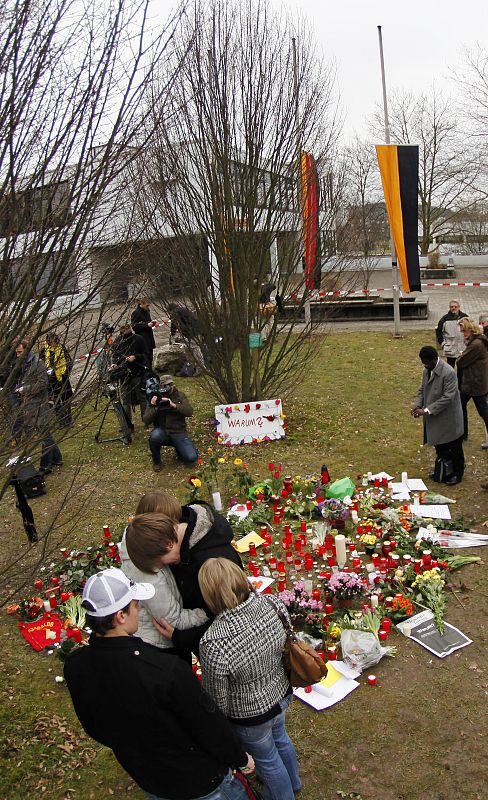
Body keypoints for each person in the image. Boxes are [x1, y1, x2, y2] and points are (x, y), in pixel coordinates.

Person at [63, 567, 253, 800]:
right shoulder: (164, 670)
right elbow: (207, 724)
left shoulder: (76, 665)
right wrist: (239, 758)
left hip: (148, 776)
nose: (139, 608)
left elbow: (93, 725)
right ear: (119, 617)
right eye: (134, 605)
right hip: (198, 778)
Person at [196, 558, 301, 800]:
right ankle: (293, 782)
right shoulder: (272, 603)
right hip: (281, 692)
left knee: (268, 759)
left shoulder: (214, 641)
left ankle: (284, 796)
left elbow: (217, 698)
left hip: (250, 715)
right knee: (281, 738)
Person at [130, 491, 243, 613]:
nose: (165, 567)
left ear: (168, 544)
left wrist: (184, 633)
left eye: (162, 563)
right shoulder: (180, 541)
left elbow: (228, 614)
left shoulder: (210, 562)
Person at [119, 512, 209, 654]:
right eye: (160, 564)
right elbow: (173, 621)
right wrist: (208, 612)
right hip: (159, 644)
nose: (164, 566)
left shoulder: (140, 549)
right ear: (167, 544)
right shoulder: (150, 578)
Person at [412, 345, 464, 486]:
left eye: (427, 362)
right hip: (436, 416)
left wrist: (427, 410)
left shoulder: (449, 373)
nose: (425, 365)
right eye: (423, 362)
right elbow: (422, 389)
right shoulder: (426, 371)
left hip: (449, 416)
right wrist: (417, 405)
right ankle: (443, 469)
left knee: (454, 446)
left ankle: (457, 474)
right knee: (440, 445)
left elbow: (448, 397)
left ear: (435, 359)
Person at [10, 339, 63, 475]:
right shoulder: (22, 364)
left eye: (19, 352)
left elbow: (43, 383)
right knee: (45, 433)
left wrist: (25, 389)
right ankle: (57, 458)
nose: (17, 355)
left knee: (43, 435)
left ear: (26, 350)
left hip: (39, 404)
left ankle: (46, 467)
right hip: (30, 405)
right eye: (16, 352)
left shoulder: (37, 364)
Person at [143, 374, 197, 470]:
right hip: (163, 432)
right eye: (166, 385)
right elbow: (146, 420)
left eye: (171, 384)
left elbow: (189, 411)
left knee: (191, 458)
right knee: (154, 437)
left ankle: (179, 449)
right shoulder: (154, 397)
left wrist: (174, 405)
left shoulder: (180, 395)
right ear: (160, 386)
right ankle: (157, 462)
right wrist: (154, 407)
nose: (170, 386)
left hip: (178, 432)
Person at [111, 322, 149, 430]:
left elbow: (145, 353)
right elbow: (116, 356)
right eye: (123, 331)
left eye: (126, 329)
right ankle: (127, 424)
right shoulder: (119, 341)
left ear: (130, 329)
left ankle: (146, 420)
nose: (125, 332)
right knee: (125, 400)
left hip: (138, 372)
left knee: (142, 397)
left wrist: (135, 357)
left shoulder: (138, 339)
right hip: (124, 374)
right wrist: (115, 364)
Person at [457, 318, 488, 449]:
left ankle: (463, 433)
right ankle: (462, 433)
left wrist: (461, 355)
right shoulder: (477, 342)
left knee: (484, 412)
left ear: (470, 329)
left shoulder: (476, 345)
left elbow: (461, 361)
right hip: (472, 382)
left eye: (464, 330)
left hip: (475, 384)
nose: (462, 332)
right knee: (460, 405)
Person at [39, 332, 73, 427]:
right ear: (49, 342)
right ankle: (61, 421)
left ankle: (69, 420)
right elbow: (41, 366)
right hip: (51, 380)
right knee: (56, 401)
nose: (55, 344)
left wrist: (65, 372)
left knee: (66, 399)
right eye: (53, 342)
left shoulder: (62, 348)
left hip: (63, 378)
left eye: (56, 341)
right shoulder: (44, 351)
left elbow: (69, 361)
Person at [435, 300, 468, 367]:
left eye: (455, 306)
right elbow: (439, 332)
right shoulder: (444, 319)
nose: (453, 308)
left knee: (462, 369)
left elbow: (470, 329)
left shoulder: (465, 317)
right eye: (451, 307)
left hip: (462, 348)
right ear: (449, 308)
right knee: (449, 369)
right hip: (450, 349)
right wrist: (443, 344)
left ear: (459, 307)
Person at [131, 297, 157, 368]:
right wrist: (146, 325)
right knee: (145, 357)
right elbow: (134, 326)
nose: (148, 307)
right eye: (146, 305)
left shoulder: (147, 312)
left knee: (150, 356)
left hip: (149, 337)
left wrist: (152, 323)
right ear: (141, 304)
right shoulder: (136, 313)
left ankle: (150, 371)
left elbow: (148, 322)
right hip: (142, 338)